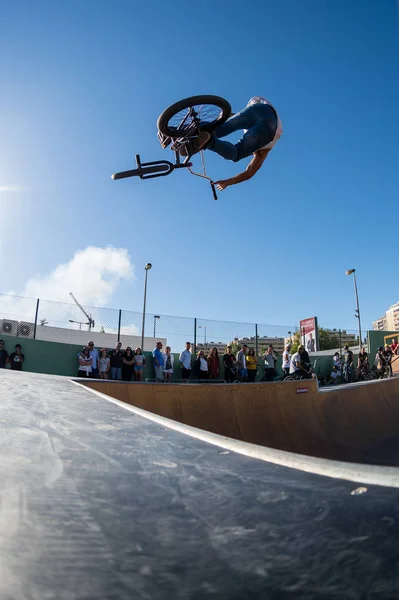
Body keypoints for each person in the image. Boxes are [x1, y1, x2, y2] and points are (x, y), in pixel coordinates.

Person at [181, 96, 282, 192]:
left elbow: (229, 118)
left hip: (260, 107)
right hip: (271, 125)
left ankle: (175, 131)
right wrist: (227, 182)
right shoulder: (265, 149)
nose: (252, 152)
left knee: (217, 130)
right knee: (237, 154)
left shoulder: (251, 130)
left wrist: (222, 117)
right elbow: (249, 173)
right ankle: (209, 142)